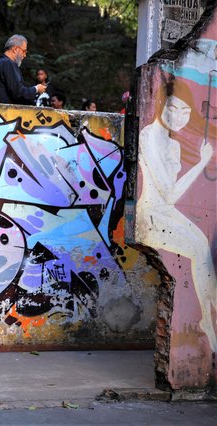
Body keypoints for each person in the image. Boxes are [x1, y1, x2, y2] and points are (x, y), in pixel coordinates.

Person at [137, 81, 216, 352]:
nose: (179, 116)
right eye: (173, 108)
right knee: (199, 248)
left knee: (203, 248)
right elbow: (169, 194)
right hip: (151, 215)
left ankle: (209, 317)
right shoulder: (148, 136)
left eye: (185, 111)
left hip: (167, 214)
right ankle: (209, 317)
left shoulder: (173, 145)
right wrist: (202, 163)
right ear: (161, 105)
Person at [0, 34, 45, 105]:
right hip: (6, 113)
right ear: (15, 49)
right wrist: (36, 89)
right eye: (24, 51)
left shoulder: (0, 63)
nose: (25, 55)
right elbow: (18, 93)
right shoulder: (7, 64)